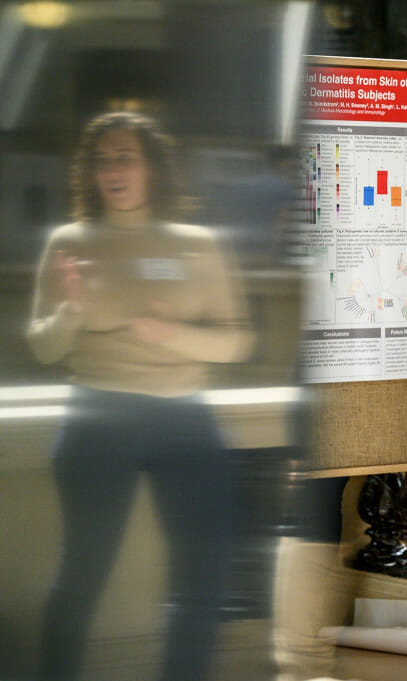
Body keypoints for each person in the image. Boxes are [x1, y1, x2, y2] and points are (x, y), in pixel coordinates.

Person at [26, 111, 252, 681]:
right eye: (102, 159)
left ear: (152, 167)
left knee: (202, 580)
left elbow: (238, 341)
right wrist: (71, 311)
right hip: (98, 418)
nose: (113, 169)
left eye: (125, 155)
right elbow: (43, 346)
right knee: (82, 575)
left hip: (185, 420)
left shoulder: (200, 245)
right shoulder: (70, 242)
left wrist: (170, 334)